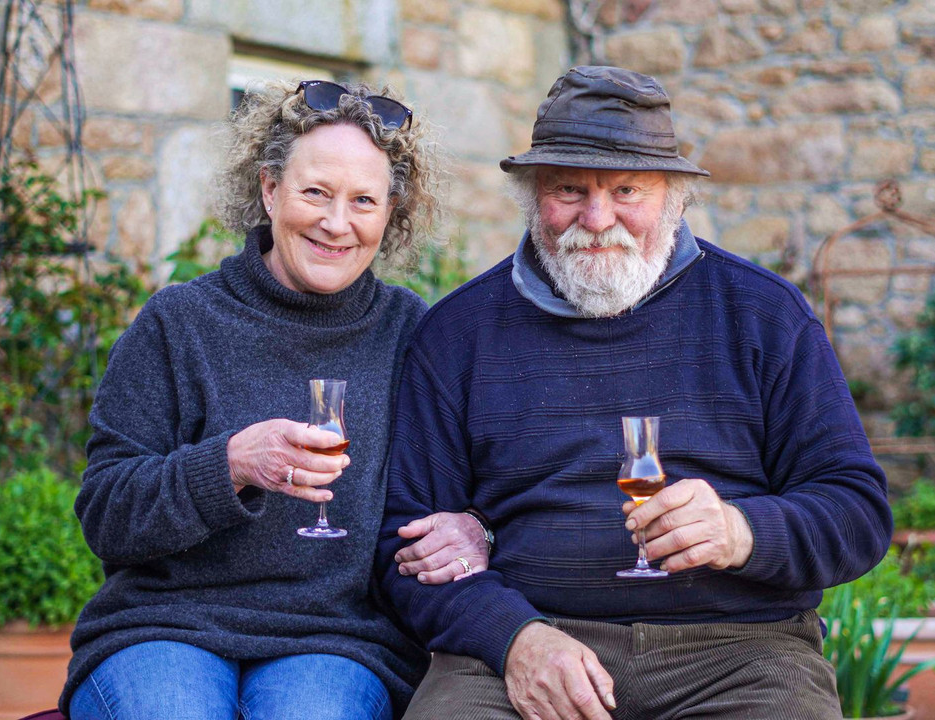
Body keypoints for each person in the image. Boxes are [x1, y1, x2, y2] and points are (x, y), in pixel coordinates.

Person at [375, 66, 892, 720]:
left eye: (627, 190)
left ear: (673, 197)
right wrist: (512, 638)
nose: (598, 219)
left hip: (739, 658)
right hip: (527, 645)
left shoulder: (764, 315)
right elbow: (403, 547)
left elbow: (858, 512)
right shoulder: (459, 334)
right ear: (535, 194)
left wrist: (742, 530)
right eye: (569, 189)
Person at [61, 80, 489, 720]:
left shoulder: (412, 335)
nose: (336, 223)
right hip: (164, 628)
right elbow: (105, 515)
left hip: (337, 641)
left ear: (391, 213)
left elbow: (474, 483)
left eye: (364, 201)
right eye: (315, 191)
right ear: (268, 189)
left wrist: (474, 527)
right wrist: (229, 464)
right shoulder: (179, 323)